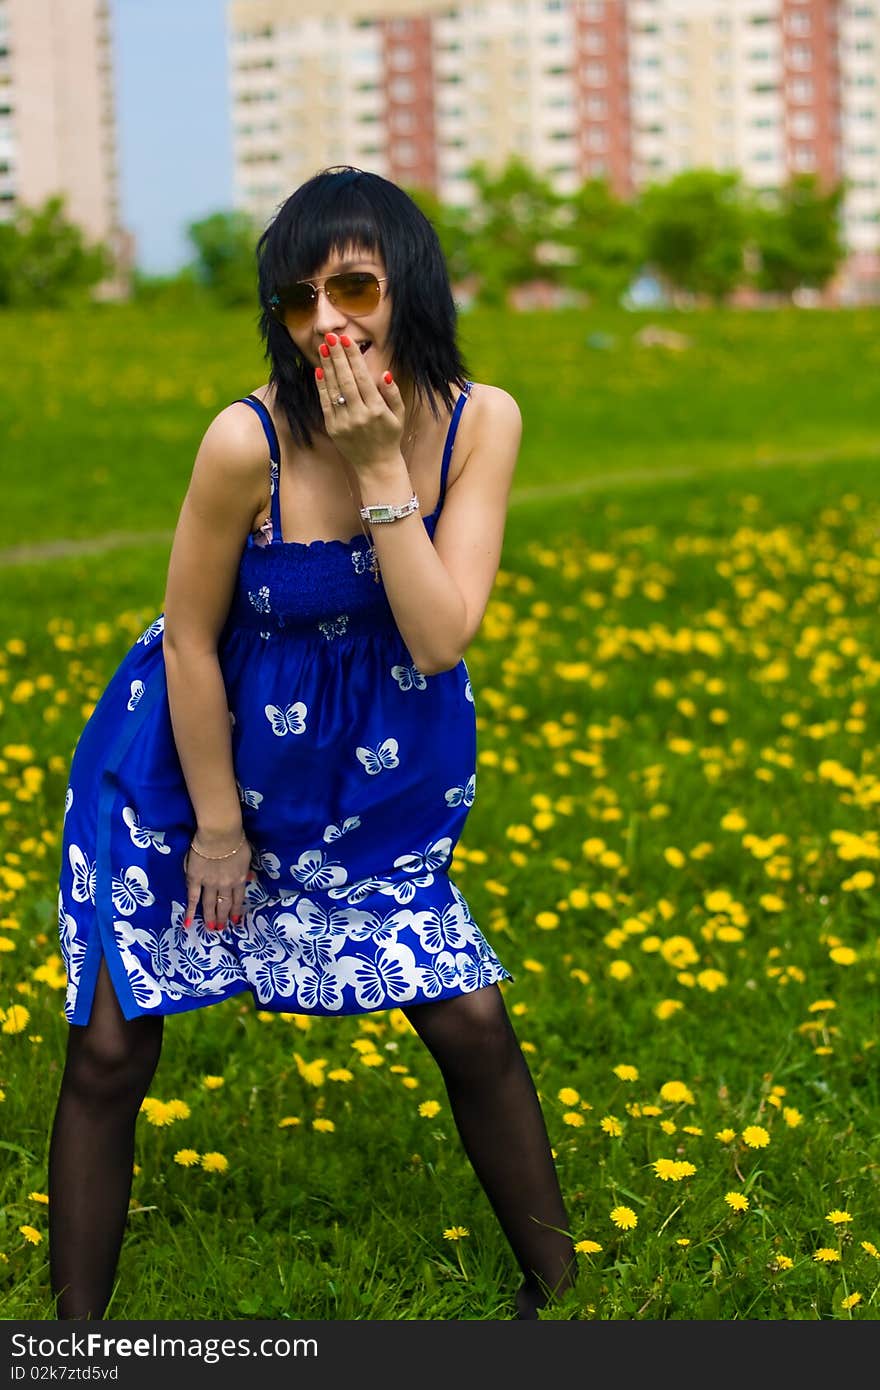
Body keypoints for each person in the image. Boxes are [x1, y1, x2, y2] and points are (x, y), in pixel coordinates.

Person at [49, 166, 577, 1322]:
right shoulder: (247, 442)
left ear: (410, 286)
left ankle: (569, 1296)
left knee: (469, 1018)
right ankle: (69, 1342)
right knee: (110, 1047)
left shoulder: (481, 420)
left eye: (353, 285)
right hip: (193, 767)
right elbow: (188, 643)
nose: (326, 321)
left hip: (366, 779)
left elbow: (439, 637)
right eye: (299, 301)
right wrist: (220, 834)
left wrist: (384, 466)